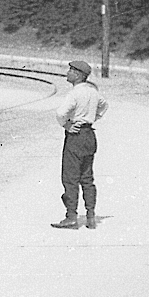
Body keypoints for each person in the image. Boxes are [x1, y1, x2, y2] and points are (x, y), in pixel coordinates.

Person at [52, 59, 107, 229]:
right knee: (87, 177)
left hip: (75, 137)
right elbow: (104, 106)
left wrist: (67, 124)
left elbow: (61, 113)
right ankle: (90, 216)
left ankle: (71, 216)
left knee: (70, 178)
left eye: (70, 70)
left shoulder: (74, 93)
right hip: (89, 135)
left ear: (77, 75)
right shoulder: (93, 92)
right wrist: (92, 119)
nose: (67, 73)